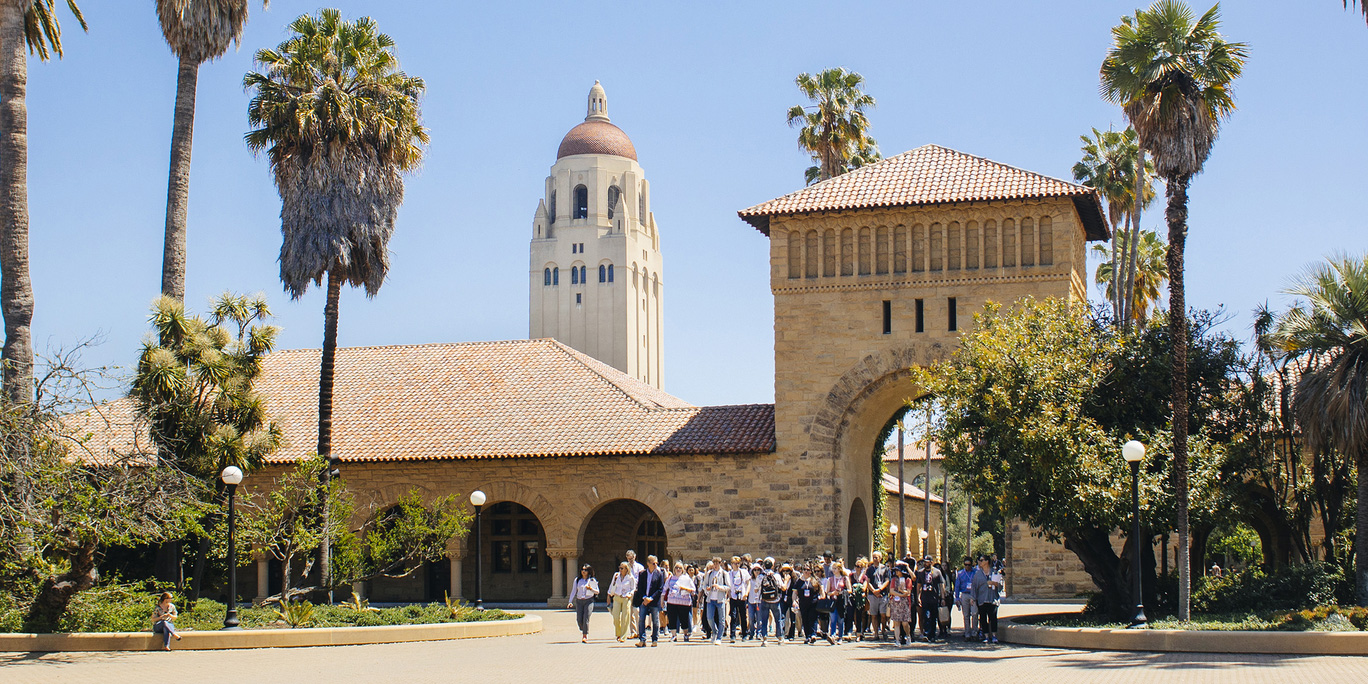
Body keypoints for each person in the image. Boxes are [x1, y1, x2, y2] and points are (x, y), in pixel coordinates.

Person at [634, 555, 666, 647]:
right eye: (653, 563)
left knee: (655, 621)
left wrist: (651, 598)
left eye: (657, 563)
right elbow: (639, 588)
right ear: (648, 563)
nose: (655, 565)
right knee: (641, 620)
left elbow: (660, 589)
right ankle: (642, 640)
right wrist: (644, 598)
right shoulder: (642, 574)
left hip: (654, 601)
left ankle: (654, 639)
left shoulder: (659, 574)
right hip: (644, 600)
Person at [756, 557, 786, 646]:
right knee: (778, 619)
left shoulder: (760, 576)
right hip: (775, 600)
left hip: (764, 600)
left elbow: (756, 589)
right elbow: (783, 587)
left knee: (764, 620)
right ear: (772, 565)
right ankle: (780, 638)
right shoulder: (776, 576)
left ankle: (764, 638)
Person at [971, 555, 1001, 643]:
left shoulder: (994, 572)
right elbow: (974, 587)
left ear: (987, 561)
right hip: (982, 599)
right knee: (983, 618)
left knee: (993, 617)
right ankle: (986, 636)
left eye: (981, 560)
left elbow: (1000, 586)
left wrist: (994, 584)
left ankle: (994, 636)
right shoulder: (978, 574)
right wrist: (973, 598)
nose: (980, 562)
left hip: (992, 598)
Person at [569, 564, 600, 643]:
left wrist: (591, 588)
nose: (583, 571)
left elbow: (597, 591)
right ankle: (583, 628)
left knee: (586, 617)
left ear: (589, 571)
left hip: (589, 600)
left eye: (585, 570)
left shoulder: (592, 580)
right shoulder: (577, 580)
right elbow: (573, 591)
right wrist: (570, 601)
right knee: (579, 619)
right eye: (582, 569)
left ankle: (585, 635)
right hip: (579, 601)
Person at [664, 561, 695, 641]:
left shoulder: (686, 578)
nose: (678, 569)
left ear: (683, 569)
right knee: (672, 618)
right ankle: (674, 635)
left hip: (683, 602)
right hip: (672, 602)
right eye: (677, 568)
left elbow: (693, 590)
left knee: (684, 619)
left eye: (680, 568)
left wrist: (684, 589)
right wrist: (662, 600)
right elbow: (664, 589)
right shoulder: (670, 578)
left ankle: (685, 634)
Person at [914, 556, 943, 642]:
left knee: (933, 617)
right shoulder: (920, 572)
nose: (926, 564)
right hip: (925, 597)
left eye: (927, 562)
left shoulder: (937, 572)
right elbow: (918, 585)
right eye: (925, 562)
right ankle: (926, 633)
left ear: (931, 562)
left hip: (934, 597)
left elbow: (941, 585)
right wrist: (918, 597)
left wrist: (943, 597)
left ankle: (932, 634)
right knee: (926, 616)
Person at [864, 551, 890, 641]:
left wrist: (880, 589)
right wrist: (874, 591)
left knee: (883, 614)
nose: (875, 559)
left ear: (880, 558)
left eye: (876, 557)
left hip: (883, 595)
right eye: (873, 557)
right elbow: (868, 581)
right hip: (872, 595)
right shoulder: (869, 569)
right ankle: (876, 633)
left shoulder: (885, 568)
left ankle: (883, 630)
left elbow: (887, 581)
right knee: (874, 615)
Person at [887, 560, 914, 646]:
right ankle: (897, 640)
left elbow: (908, 592)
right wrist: (901, 594)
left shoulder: (908, 580)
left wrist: (901, 591)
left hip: (905, 603)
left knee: (905, 623)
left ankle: (908, 636)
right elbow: (891, 591)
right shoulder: (894, 579)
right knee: (897, 622)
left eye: (898, 570)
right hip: (896, 602)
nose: (897, 572)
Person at [607, 561, 636, 642]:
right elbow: (612, 585)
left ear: (627, 569)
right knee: (615, 616)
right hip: (617, 596)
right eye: (619, 568)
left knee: (625, 617)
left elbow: (633, 588)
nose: (620, 569)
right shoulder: (616, 576)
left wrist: (630, 594)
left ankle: (623, 636)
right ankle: (618, 633)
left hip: (626, 598)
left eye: (622, 568)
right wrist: (609, 595)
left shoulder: (630, 577)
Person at [794, 565, 823, 644]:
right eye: (804, 569)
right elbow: (795, 592)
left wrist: (822, 597)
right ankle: (808, 636)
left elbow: (821, 590)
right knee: (805, 619)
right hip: (803, 603)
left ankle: (813, 634)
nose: (806, 571)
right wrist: (794, 601)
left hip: (813, 602)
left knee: (813, 618)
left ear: (811, 571)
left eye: (808, 569)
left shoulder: (815, 580)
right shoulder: (799, 581)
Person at [703, 557, 729, 645]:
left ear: (720, 563)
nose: (715, 565)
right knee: (709, 618)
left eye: (717, 563)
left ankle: (719, 637)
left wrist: (720, 587)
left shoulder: (724, 574)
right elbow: (704, 584)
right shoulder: (710, 573)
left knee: (721, 619)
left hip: (720, 599)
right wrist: (707, 588)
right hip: (710, 599)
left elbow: (728, 586)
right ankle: (714, 631)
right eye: (714, 563)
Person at [824, 560, 850, 643]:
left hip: (841, 601)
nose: (833, 570)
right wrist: (833, 593)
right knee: (833, 619)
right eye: (833, 569)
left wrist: (841, 592)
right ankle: (832, 636)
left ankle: (840, 637)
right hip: (833, 601)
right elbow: (827, 592)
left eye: (835, 568)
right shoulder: (830, 579)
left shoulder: (845, 578)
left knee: (840, 620)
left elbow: (850, 590)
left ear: (839, 569)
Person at [954, 556, 978, 641]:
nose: (967, 566)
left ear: (972, 565)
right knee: (966, 615)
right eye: (965, 565)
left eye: (969, 565)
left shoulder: (975, 572)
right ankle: (967, 633)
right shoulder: (960, 574)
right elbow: (957, 586)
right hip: (964, 594)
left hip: (973, 594)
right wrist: (957, 598)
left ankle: (975, 632)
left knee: (975, 613)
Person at [726, 556, 749, 643]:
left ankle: (744, 634)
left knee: (743, 616)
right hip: (733, 596)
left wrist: (746, 593)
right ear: (732, 564)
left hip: (742, 596)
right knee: (733, 615)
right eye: (735, 563)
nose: (737, 565)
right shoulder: (729, 574)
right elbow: (728, 586)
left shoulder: (744, 572)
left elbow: (748, 582)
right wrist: (729, 595)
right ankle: (732, 635)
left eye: (738, 563)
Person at [745, 561, 765, 642]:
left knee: (759, 618)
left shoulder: (762, 579)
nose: (757, 571)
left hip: (759, 601)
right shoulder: (750, 580)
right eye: (755, 570)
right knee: (751, 618)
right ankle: (751, 633)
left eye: (758, 570)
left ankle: (759, 633)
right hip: (751, 601)